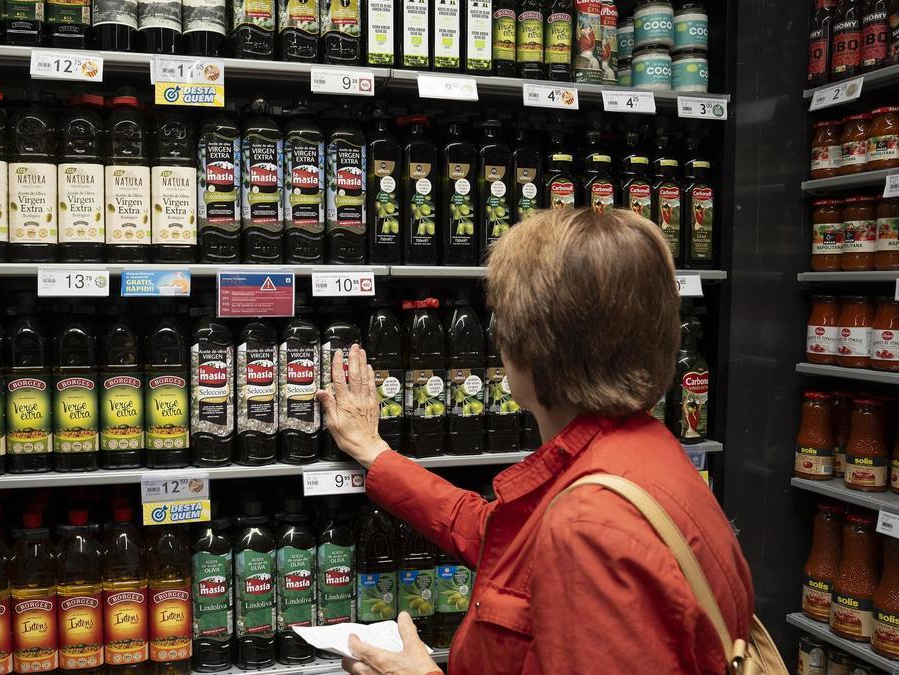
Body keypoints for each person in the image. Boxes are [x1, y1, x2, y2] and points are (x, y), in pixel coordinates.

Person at [315, 208, 754, 674]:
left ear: (528, 346)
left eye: (501, 317)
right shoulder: (642, 452)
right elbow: (500, 537)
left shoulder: (591, 526)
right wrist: (375, 454)